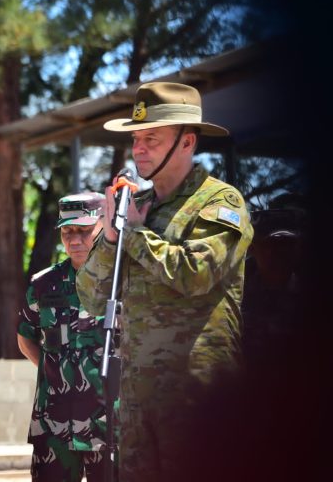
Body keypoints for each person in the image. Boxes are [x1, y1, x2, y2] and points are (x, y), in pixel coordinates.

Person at [75, 82, 254, 481]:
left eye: (151, 139)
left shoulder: (221, 202)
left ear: (187, 141)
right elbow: (89, 295)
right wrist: (109, 237)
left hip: (199, 398)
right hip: (137, 399)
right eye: (136, 139)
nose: (138, 148)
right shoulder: (135, 207)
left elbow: (195, 274)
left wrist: (135, 235)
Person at [18, 192, 116, 482]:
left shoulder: (122, 281)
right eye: (67, 231)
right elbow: (25, 339)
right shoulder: (43, 285)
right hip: (54, 425)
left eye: (84, 231)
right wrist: (55, 375)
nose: (74, 240)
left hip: (110, 423)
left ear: (103, 226)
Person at [241, 193, 307, 369]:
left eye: (288, 244)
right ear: (253, 248)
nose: (280, 253)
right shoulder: (235, 291)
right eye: (271, 245)